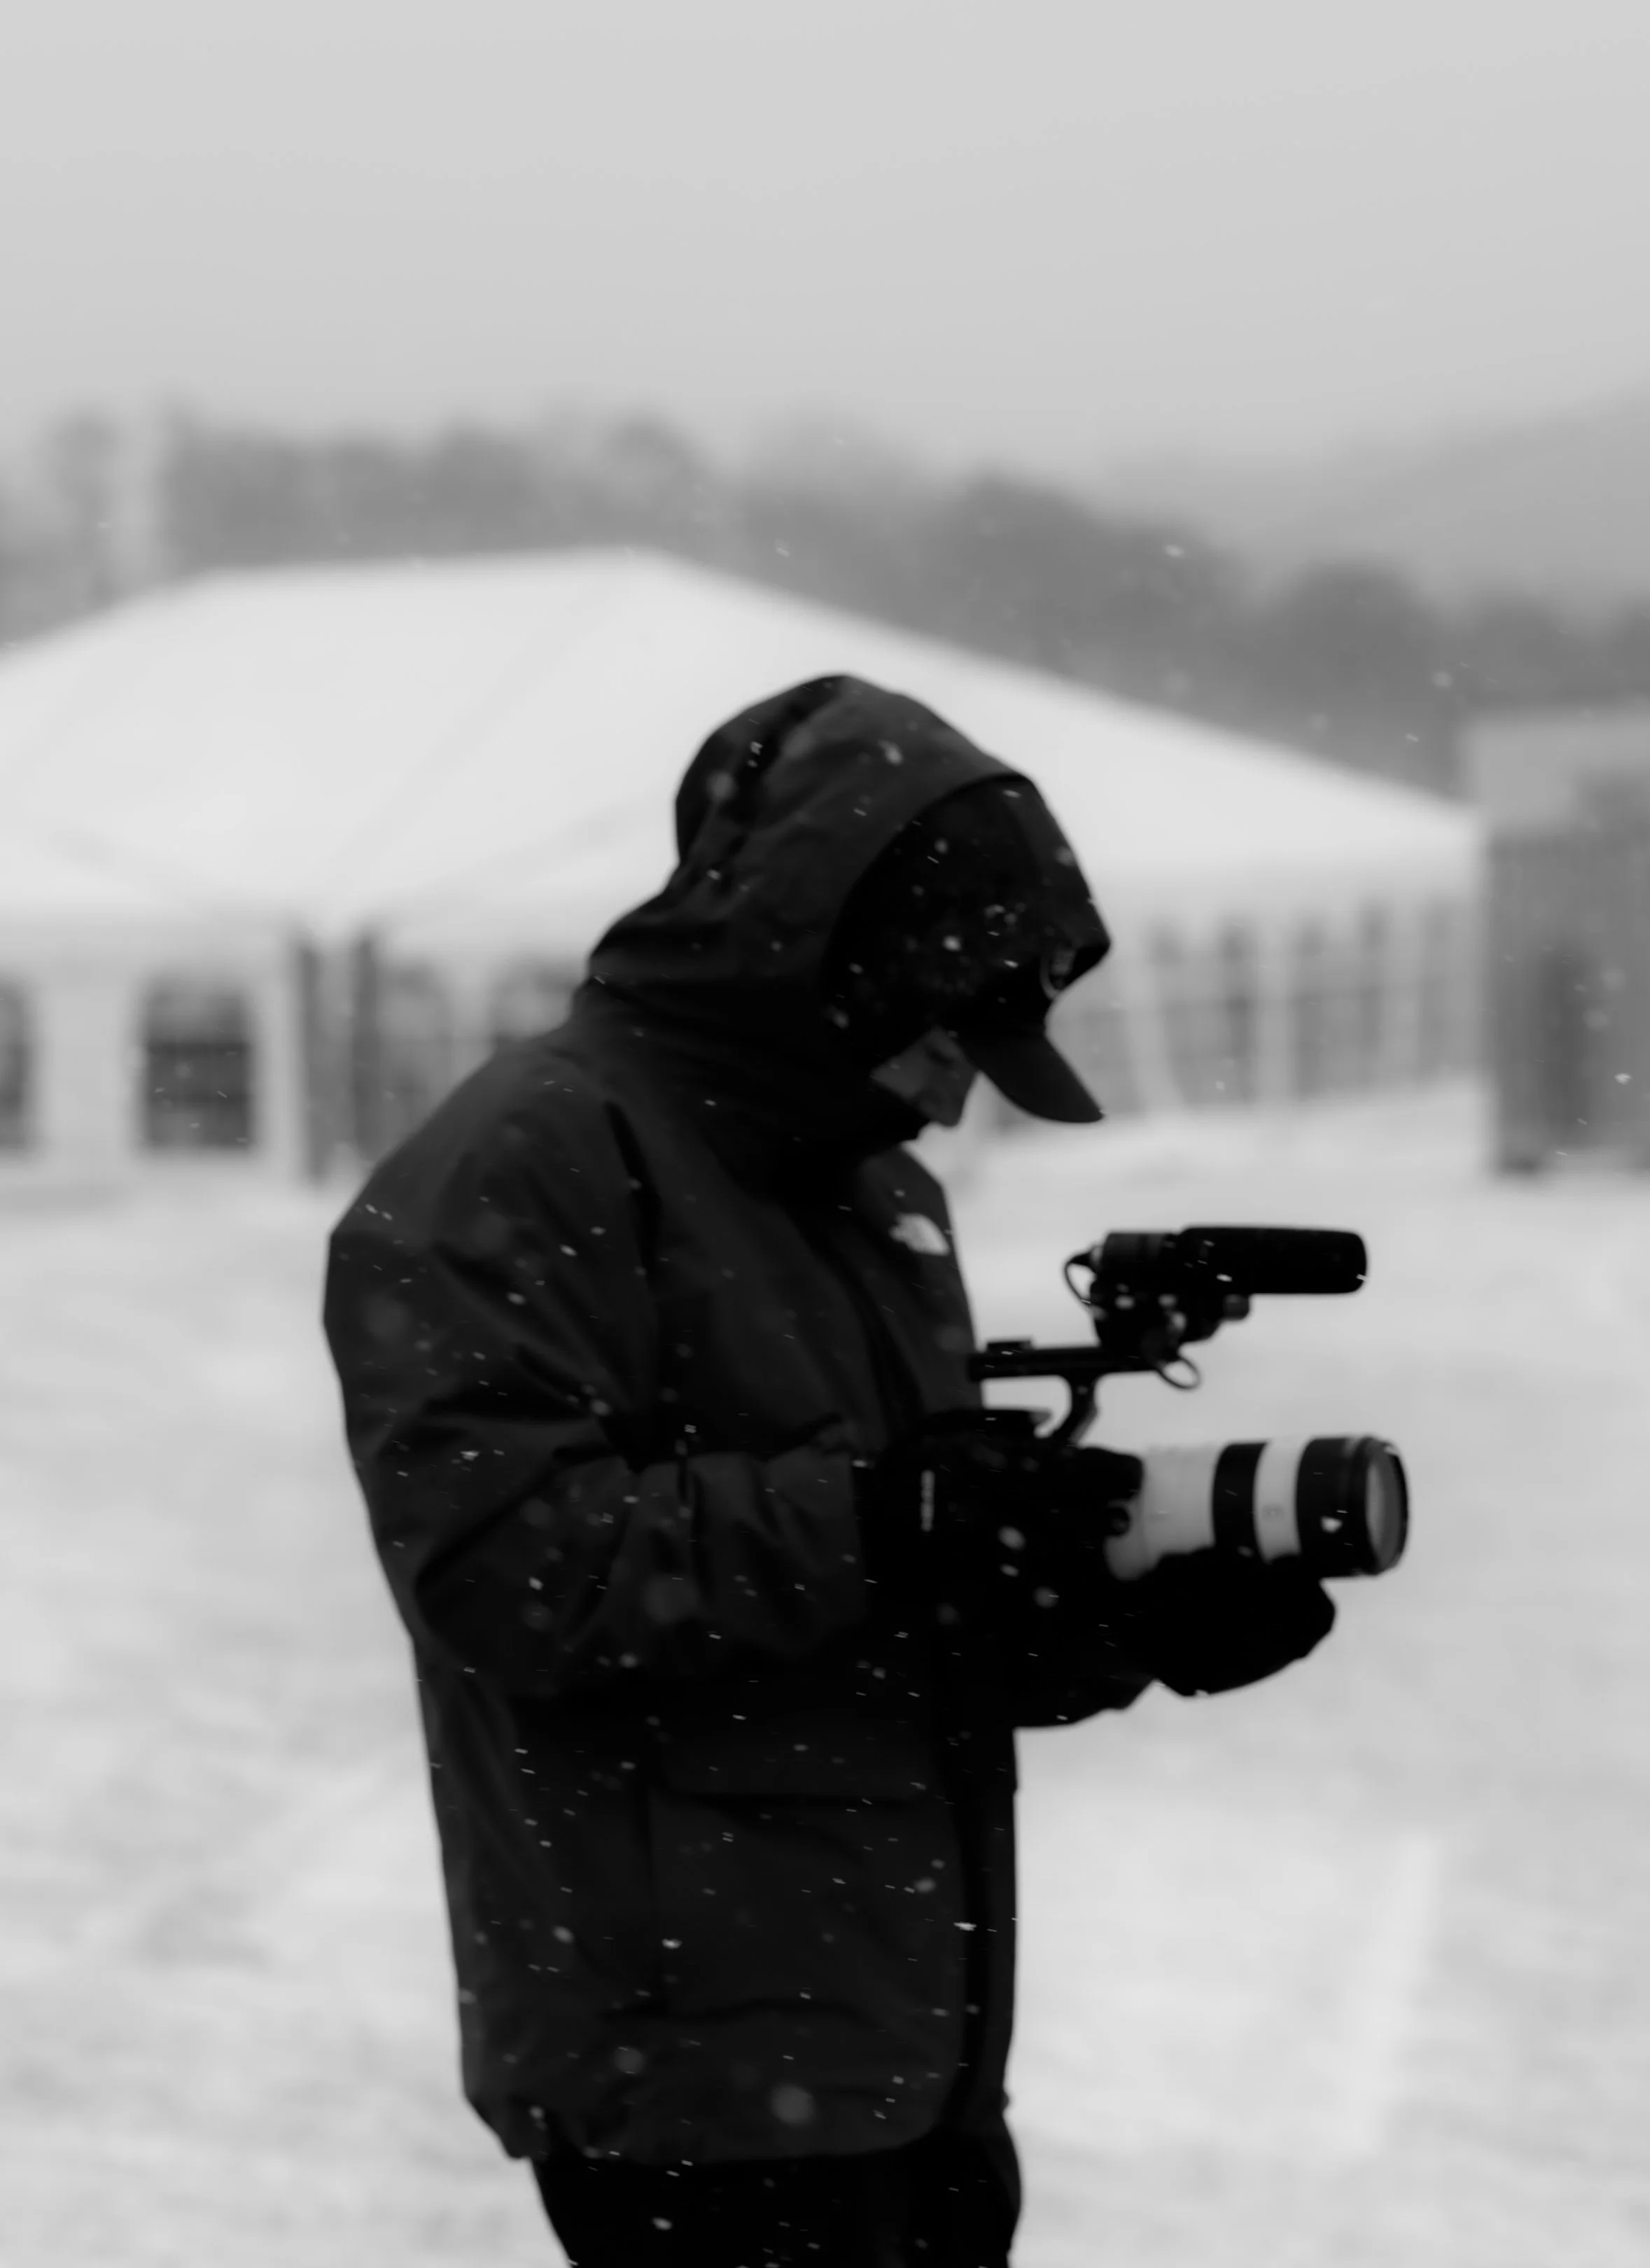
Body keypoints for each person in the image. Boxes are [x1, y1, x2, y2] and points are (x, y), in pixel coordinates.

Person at [323, 673, 1334, 2267]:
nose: (955, 1091)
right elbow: (507, 1566)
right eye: (943, 1036)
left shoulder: (868, 1195)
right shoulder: (526, 1159)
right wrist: (893, 1512)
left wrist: (1118, 1620)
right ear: (824, 963)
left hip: (902, 2047)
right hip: (699, 2071)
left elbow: (894, 1606)